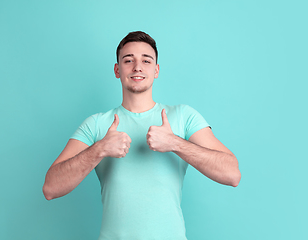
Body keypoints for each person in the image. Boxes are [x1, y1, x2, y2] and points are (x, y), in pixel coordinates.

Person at [43, 31, 241, 240]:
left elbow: (232, 174)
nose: (137, 67)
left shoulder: (183, 116)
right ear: (117, 70)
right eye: (128, 60)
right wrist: (100, 149)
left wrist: (175, 143)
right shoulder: (97, 124)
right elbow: (50, 188)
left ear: (156, 70)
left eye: (146, 61)